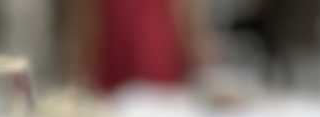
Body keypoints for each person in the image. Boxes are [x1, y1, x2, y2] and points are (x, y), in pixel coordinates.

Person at [65, 0, 215, 91]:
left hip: (161, 64)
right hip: (112, 66)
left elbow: (187, 17)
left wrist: (204, 72)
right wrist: (81, 73)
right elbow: (85, 22)